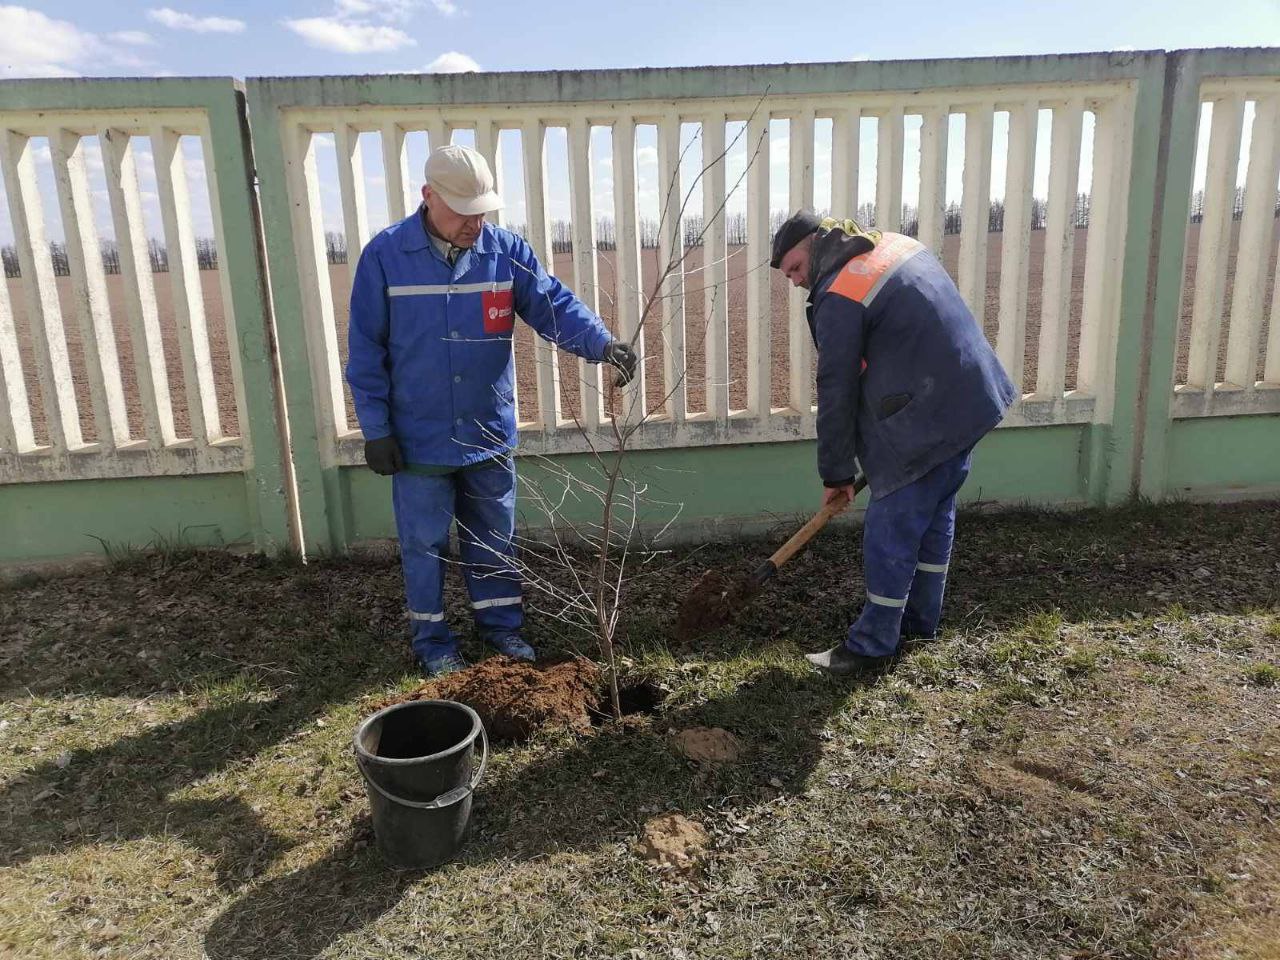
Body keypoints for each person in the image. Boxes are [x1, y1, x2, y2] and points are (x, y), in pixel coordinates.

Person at [346, 144, 637, 676]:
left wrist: (601, 343)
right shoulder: (385, 257)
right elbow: (366, 349)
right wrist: (377, 428)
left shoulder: (504, 252)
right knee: (424, 543)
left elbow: (553, 305)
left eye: (481, 210)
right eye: (462, 210)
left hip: (486, 433)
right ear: (428, 196)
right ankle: (432, 641)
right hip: (418, 438)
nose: (474, 223)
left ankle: (502, 630)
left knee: (493, 537)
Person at [769, 211, 1016, 676]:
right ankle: (921, 624)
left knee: (891, 531)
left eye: (797, 267)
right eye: (789, 276)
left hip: (928, 418)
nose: (797, 281)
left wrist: (836, 473)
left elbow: (837, 386)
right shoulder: (894, 245)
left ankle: (871, 646)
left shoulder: (840, 292)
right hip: (970, 399)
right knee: (934, 514)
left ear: (816, 242)